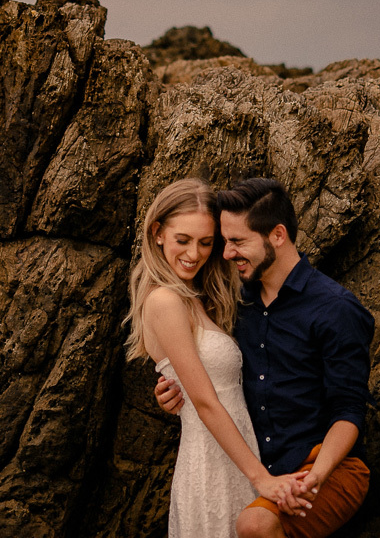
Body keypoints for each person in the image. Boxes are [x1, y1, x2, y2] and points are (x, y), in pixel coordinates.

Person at [156, 177, 374, 538]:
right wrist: (172, 391)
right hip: (259, 467)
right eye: (224, 242)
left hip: (327, 465)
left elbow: (349, 411)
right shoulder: (235, 303)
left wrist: (315, 478)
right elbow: (212, 368)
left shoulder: (335, 308)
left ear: (277, 235)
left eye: (238, 242)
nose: (227, 253)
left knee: (254, 525)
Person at [126, 178, 311, 538]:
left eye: (205, 242)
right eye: (183, 240)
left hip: (237, 453)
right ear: (158, 233)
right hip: (211, 462)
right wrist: (262, 478)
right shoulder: (164, 300)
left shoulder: (196, 297)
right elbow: (204, 401)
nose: (194, 254)